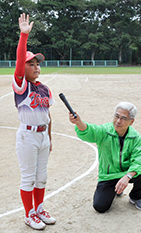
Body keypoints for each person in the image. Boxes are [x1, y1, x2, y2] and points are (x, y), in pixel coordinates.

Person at [13, 13, 56, 230]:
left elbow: (48, 116)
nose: (36, 66)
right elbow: (20, 62)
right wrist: (24, 36)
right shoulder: (22, 86)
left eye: (37, 63)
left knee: (42, 177)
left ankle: (39, 209)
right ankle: (29, 214)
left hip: (42, 137)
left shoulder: (44, 88)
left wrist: (49, 139)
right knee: (28, 177)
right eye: (31, 63)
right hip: (27, 136)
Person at [69, 102, 141, 213]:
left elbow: (140, 160)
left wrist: (127, 176)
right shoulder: (105, 131)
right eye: (116, 116)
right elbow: (90, 131)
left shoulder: (135, 137)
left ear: (131, 122)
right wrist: (79, 122)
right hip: (108, 176)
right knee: (100, 207)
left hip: (126, 173)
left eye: (123, 118)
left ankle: (135, 197)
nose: (118, 121)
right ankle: (116, 190)